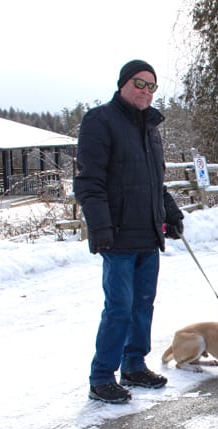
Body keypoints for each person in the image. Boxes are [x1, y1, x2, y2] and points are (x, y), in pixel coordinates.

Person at [74, 59, 185, 404]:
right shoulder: (100, 122)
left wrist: (169, 210)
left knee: (143, 305)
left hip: (148, 235)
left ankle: (134, 365)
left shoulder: (150, 129)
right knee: (119, 308)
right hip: (118, 235)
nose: (145, 91)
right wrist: (100, 226)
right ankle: (101, 377)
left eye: (152, 86)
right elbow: (89, 182)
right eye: (139, 83)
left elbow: (156, 182)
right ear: (123, 84)